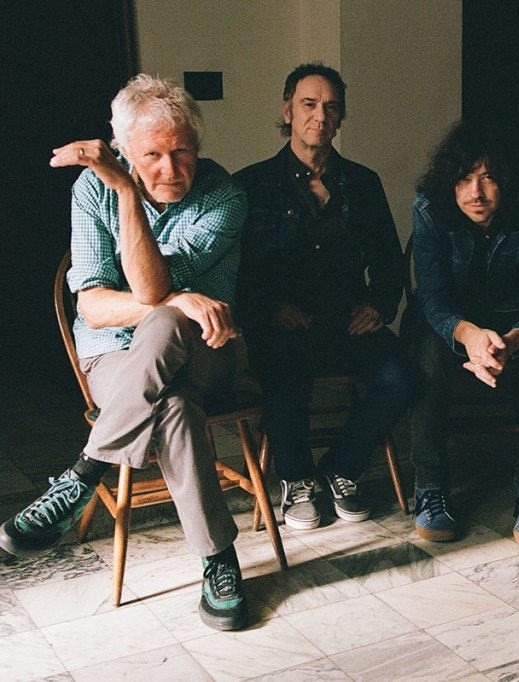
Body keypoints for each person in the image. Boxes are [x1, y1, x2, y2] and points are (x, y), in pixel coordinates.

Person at [0, 75, 250, 629]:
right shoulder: (92, 190)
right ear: (125, 152)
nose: (171, 168)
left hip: (206, 352)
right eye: (152, 155)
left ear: (198, 146)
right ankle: (219, 560)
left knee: (167, 319)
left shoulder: (225, 198)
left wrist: (167, 302)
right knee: (174, 406)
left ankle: (86, 471)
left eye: (182, 151)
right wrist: (124, 194)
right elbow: (92, 308)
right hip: (113, 358)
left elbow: (151, 290)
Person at [235, 63, 414, 531]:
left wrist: (378, 305)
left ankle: (341, 466)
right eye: (309, 104)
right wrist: (270, 309)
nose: (320, 115)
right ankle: (295, 478)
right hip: (283, 325)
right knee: (283, 376)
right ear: (288, 111)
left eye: (331, 107)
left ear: (340, 117)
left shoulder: (363, 182)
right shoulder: (251, 184)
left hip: (347, 322)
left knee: (401, 377)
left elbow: (389, 260)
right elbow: (237, 269)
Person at [406, 121, 519, 545]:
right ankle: (430, 485)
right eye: (464, 179)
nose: (475, 192)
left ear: (505, 181)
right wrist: (470, 336)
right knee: (427, 352)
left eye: (488, 178)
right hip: (451, 323)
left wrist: (512, 340)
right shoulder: (429, 209)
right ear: (449, 182)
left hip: (514, 322)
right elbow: (431, 298)